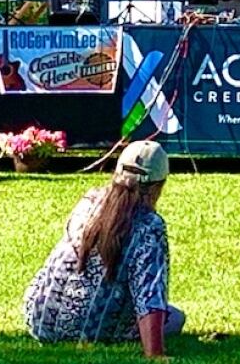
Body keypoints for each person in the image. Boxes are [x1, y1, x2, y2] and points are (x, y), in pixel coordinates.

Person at [23, 140, 184, 358]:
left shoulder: (88, 201)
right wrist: (155, 355)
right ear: (158, 185)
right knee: (175, 317)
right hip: (88, 331)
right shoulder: (148, 226)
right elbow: (149, 296)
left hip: (39, 320)